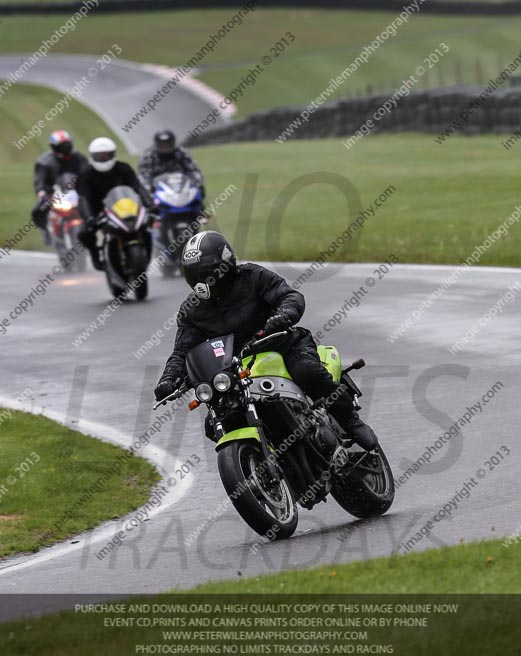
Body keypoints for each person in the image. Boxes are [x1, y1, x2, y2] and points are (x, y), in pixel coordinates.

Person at [153, 231, 378, 450]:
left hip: (282, 345)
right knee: (216, 423)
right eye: (194, 274)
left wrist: (283, 315)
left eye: (206, 272)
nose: (200, 281)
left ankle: (349, 421)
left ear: (225, 264)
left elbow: (290, 296)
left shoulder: (252, 277)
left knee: (307, 372)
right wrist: (169, 378)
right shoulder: (192, 310)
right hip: (237, 369)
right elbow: (183, 351)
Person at [77, 136, 154, 270]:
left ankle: (146, 254)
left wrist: (150, 204)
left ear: (113, 155)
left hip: (125, 208)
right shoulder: (86, 175)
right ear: (92, 157)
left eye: (106, 156)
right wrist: (89, 217)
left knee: (146, 225)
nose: (103, 159)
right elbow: (83, 199)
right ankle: (96, 255)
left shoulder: (124, 168)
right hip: (98, 211)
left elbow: (138, 187)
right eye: (99, 156)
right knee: (83, 233)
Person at [32, 131, 88, 239]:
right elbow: (40, 180)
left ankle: (91, 228)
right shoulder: (44, 161)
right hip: (53, 193)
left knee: (91, 204)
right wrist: (41, 191)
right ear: (54, 147)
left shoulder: (79, 158)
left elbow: (87, 173)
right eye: (62, 146)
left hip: (76, 191)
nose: (65, 148)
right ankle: (46, 232)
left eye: (66, 145)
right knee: (38, 210)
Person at [138, 130, 204, 198]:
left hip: (181, 187)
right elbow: (143, 176)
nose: (165, 148)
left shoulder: (182, 152)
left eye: (168, 145)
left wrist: (197, 185)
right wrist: (149, 190)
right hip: (159, 189)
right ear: (157, 145)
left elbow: (193, 171)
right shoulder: (148, 155)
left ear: (173, 144)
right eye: (162, 146)